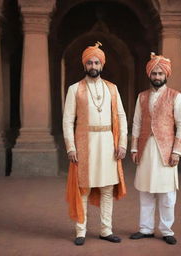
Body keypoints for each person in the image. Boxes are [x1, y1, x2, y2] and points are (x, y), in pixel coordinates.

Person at [63, 42, 128, 246]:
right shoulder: (75, 89)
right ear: (85, 65)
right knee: (84, 188)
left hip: (108, 143)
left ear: (102, 65)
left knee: (108, 188)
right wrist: (71, 147)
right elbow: (67, 120)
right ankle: (80, 231)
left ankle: (106, 230)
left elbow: (121, 117)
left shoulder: (112, 88)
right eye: (90, 62)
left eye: (97, 62)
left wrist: (123, 143)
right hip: (85, 144)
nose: (93, 65)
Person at [129, 52, 181, 245]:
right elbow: (136, 123)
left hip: (166, 151)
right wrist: (134, 149)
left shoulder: (175, 96)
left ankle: (166, 230)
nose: (157, 77)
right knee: (145, 191)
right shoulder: (142, 97)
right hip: (145, 149)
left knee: (167, 193)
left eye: (160, 74)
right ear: (149, 75)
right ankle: (145, 229)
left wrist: (176, 151)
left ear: (166, 75)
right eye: (154, 73)